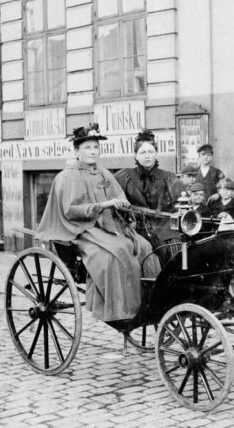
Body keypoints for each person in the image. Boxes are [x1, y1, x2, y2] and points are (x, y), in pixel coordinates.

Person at [37, 125, 161, 323]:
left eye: (96, 147)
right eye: (88, 148)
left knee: (145, 247)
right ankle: (120, 310)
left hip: (110, 225)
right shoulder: (69, 176)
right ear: (77, 151)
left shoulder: (104, 173)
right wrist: (103, 205)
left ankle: (150, 304)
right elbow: (71, 210)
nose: (93, 151)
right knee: (117, 253)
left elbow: (118, 197)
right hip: (82, 229)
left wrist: (122, 205)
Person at [114, 130, 180, 247]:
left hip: (163, 230)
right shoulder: (123, 177)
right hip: (132, 230)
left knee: (175, 248)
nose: (147, 155)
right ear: (136, 155)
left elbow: (179, 206)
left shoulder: (169, 178)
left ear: (156, 154)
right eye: (143, 152)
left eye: (151, 151)